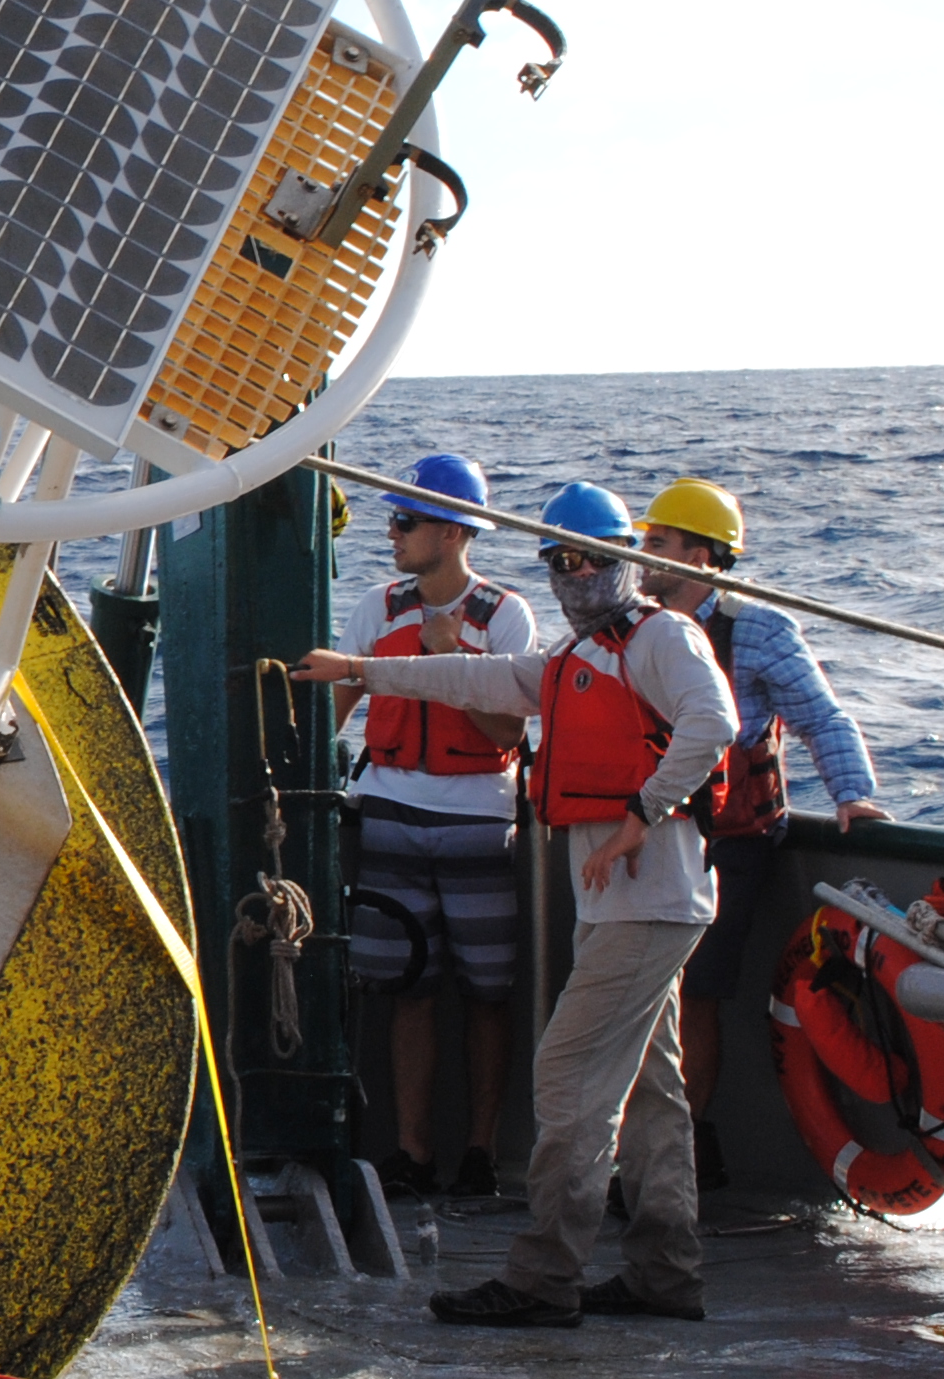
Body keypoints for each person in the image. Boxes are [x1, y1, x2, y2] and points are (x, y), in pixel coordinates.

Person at [294, 482, 736, 1328]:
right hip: (636, 907)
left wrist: (638, 819)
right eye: (558, 561)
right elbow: (478, 674)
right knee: (651, 1086)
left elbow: (710, 724)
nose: (573, 575)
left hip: (650, 903)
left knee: (567, 1075)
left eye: (590, 560)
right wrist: (359, 670)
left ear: (631, 564)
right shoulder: (578, 658)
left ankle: (544, 1277)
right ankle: (665, 1270)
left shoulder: (660, 638)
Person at [635, 477, 889, 1193]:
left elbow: (822, 718)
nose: (642, 557)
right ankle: (644, 1155)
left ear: (704, 556)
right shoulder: (633, 627)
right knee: (648, 994)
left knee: (699, 994)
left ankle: (675, 1158)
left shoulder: (756, 630)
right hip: (644, 833)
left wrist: (854, 796)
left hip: (727, 845)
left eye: (658, 543)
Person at [335, 453, 536, 1199]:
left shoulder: (505, 616)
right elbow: (340, 701)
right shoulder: (375, 609)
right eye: (392, 519)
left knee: (489, 990)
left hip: (479, 817)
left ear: (452, 534)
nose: (392, 534)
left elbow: (506, 730)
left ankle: (480, 1150)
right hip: (389, 812)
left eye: (405, 521)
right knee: (406, 986)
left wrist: (452, 662)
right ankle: (413, 1151)